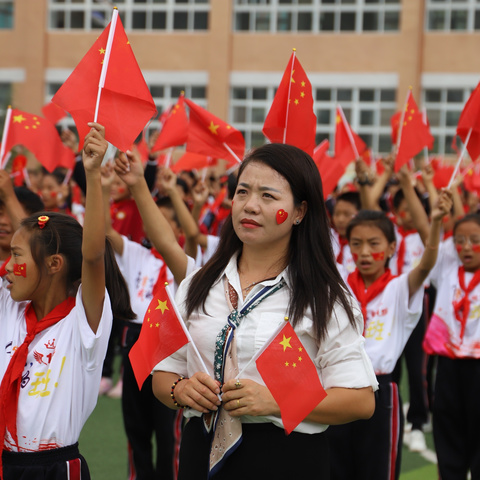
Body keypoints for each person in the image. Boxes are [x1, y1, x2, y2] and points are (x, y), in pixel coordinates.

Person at [131, 143, 379, 480]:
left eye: (268, 196)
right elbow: (165, 373)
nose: (250, 205)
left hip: (288, 457)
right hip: (200, 451)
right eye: (243, 191)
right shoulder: (198, 284)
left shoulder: (325, 297)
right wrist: (179, 390)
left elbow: (360, 401)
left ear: (299, 212)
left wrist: (277, 402)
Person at [0, 123, 135, 479]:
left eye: (16, 257)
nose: (7, 267)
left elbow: (91, 256)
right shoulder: (10, 306)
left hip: (55, 467)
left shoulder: (82, 323)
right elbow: (33, 239)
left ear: (55, 265)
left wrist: (91, 175)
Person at [327, 187, 452, 480]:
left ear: (392, 248)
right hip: (337, 386)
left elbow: (426, 265)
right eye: (356, 244)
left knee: (377, 470)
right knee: (336, 468)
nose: (365, 252)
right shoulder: (338, 285)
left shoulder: (399, 288)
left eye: (374, 244)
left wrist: (434, 223)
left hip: (379, 389)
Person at [109, 152, 197, 479]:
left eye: (165, 221)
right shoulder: (137, 254)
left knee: (169, 430)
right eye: (152, 218)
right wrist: (103, 186)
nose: (154, 225)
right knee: (136, 426)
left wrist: (175, 193)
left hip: (170, 344)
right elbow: (104, 230)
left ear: (176, 228)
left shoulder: (190, 260)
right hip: (135, 341)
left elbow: (196, 234)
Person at [423, 213, 480, 479]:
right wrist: (436, 221)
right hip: (448, 367)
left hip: (478, 368)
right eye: (459, 240)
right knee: (447, 434)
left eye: (474, 240)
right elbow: (429, 239)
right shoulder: (446, 270)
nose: (465, 246)